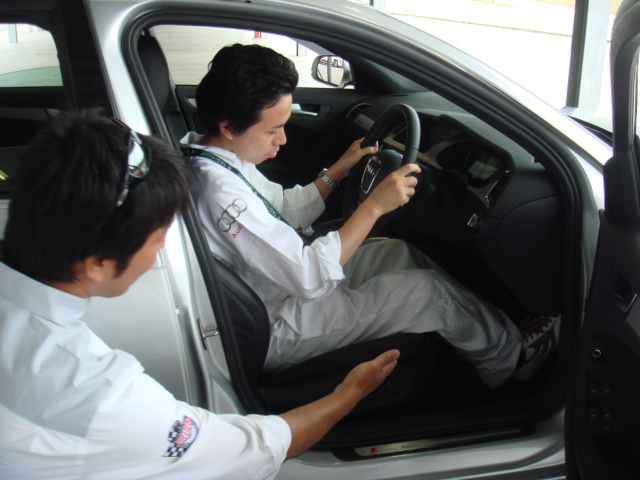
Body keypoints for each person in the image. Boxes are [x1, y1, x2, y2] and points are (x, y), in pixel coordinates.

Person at [0, 109, 401, 479]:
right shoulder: (105, 396)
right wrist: (348, 394)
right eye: (158, 239)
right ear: (98, 263)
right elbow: (255, 447)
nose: (164, 250)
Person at [181, 43, 561, 390]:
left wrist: (340, 169)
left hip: (274, 289)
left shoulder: (218, 158)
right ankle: (512, 359)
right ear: (228, 126)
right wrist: (375, 206)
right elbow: (309, 277)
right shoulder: (219, 193)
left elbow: (280, 209)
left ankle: (479, 334)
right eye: (273, 130)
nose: (282, 139)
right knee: (430, 294)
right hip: (273, 327)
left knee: (396, 251)